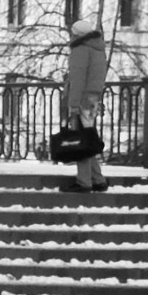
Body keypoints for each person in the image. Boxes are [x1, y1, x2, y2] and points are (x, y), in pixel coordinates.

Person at [62, 16, 110, 192]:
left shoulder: (80, 50)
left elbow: (78, 79)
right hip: (92, 99)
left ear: (76, 35)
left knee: (81, 140)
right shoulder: (98, 50)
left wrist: (73, 103)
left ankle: (84, 182)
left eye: (72, 33)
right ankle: (98, 179)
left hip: (82, 99)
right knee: (87, 139)